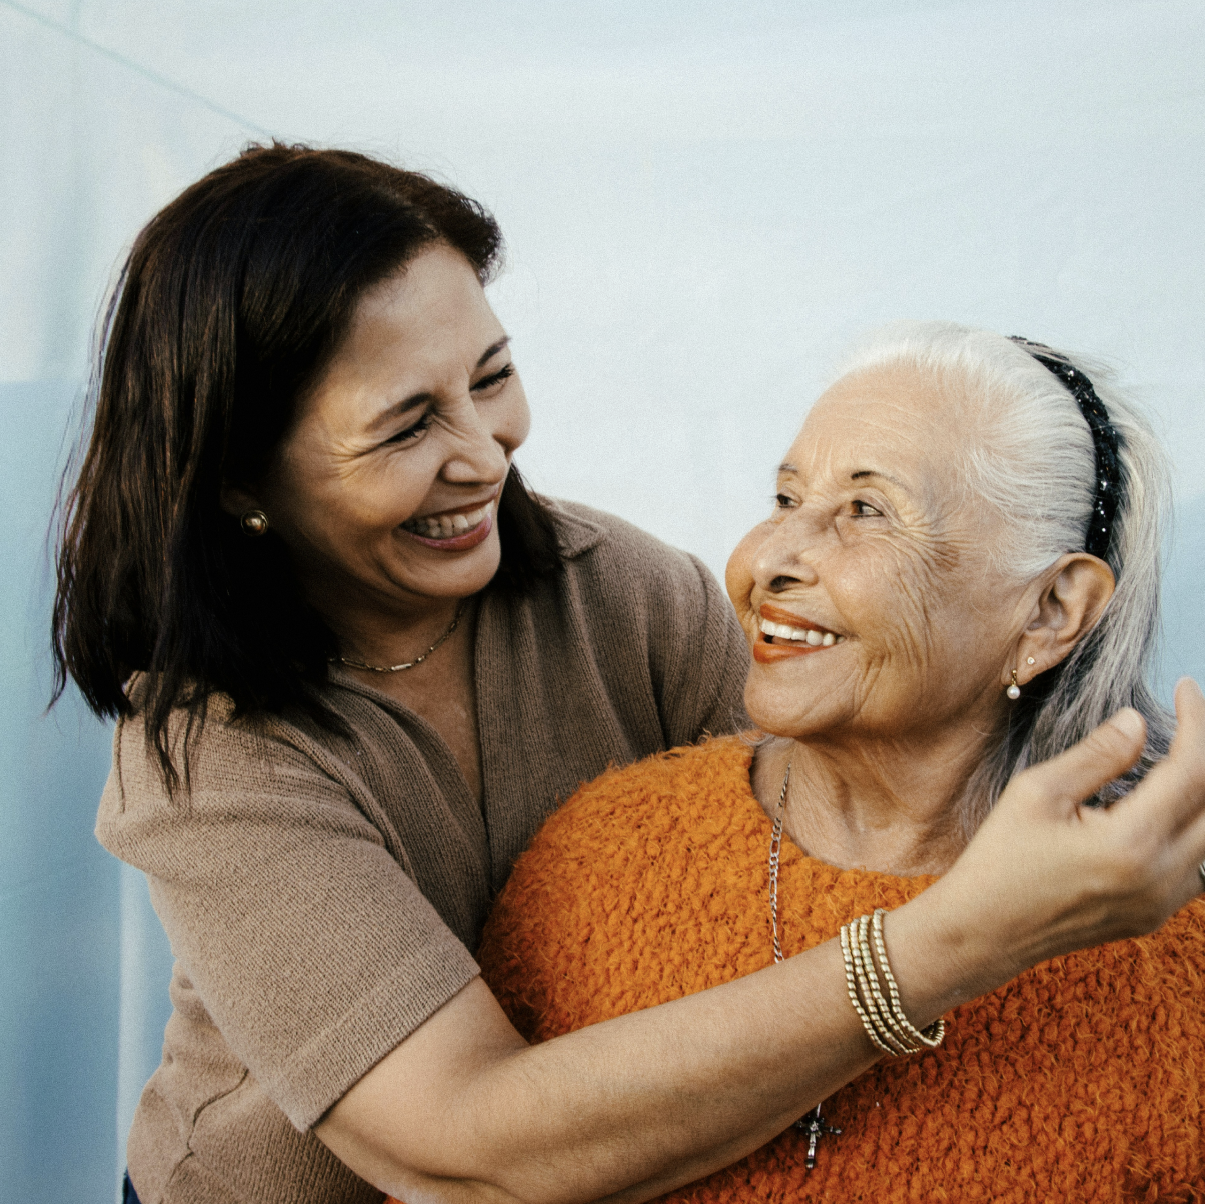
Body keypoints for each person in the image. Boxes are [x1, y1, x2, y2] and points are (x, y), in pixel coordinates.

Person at [50, 144, 1205, 1204]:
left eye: (490, 377)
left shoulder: (613, 588)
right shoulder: (213, 758)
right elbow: (461, 1147)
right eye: (405, 428)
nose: (485, 456)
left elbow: (820, 804)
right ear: (242, 483)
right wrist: (953, 942)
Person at [474, 323, 1205, 1201]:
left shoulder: (1171, 961)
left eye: (866, 510)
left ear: (1051, 609)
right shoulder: (601, 858)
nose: (766, 560)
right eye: (785, 498)